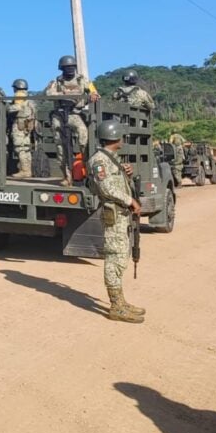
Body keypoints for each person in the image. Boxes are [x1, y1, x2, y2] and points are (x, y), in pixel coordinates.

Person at [88, 119, 145, 324]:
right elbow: (106, 189)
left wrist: (126, 173)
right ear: (116, 137)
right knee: (115, 258)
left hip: (122, 215)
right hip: (115, 214)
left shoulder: (110, 158)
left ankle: (120, 302)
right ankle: (116, 306)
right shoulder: (99, 161)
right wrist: (131, 201)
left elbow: (115, 183)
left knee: (121, 255)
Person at [44, 55, 99, 185]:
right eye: (67, 67)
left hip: (74, 113)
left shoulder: (82, 80)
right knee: (61, 147)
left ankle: (87, 169)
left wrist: (91, 96)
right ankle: (66, 176)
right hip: (59, 114)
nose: (70, 70)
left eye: (72, 67)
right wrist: (64, 96)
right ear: (61, 69)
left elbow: (94, 92)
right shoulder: (56, 82)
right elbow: (48, 93)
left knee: (83, 137)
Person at [8, 79, 36, 178]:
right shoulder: (29, 97)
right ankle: (28, 170)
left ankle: (25, 171)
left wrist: (6, 108)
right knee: (26, 148)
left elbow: (16, 107)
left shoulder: (19, 95)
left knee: (20, 148)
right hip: (27, 125)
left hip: (20, 125)